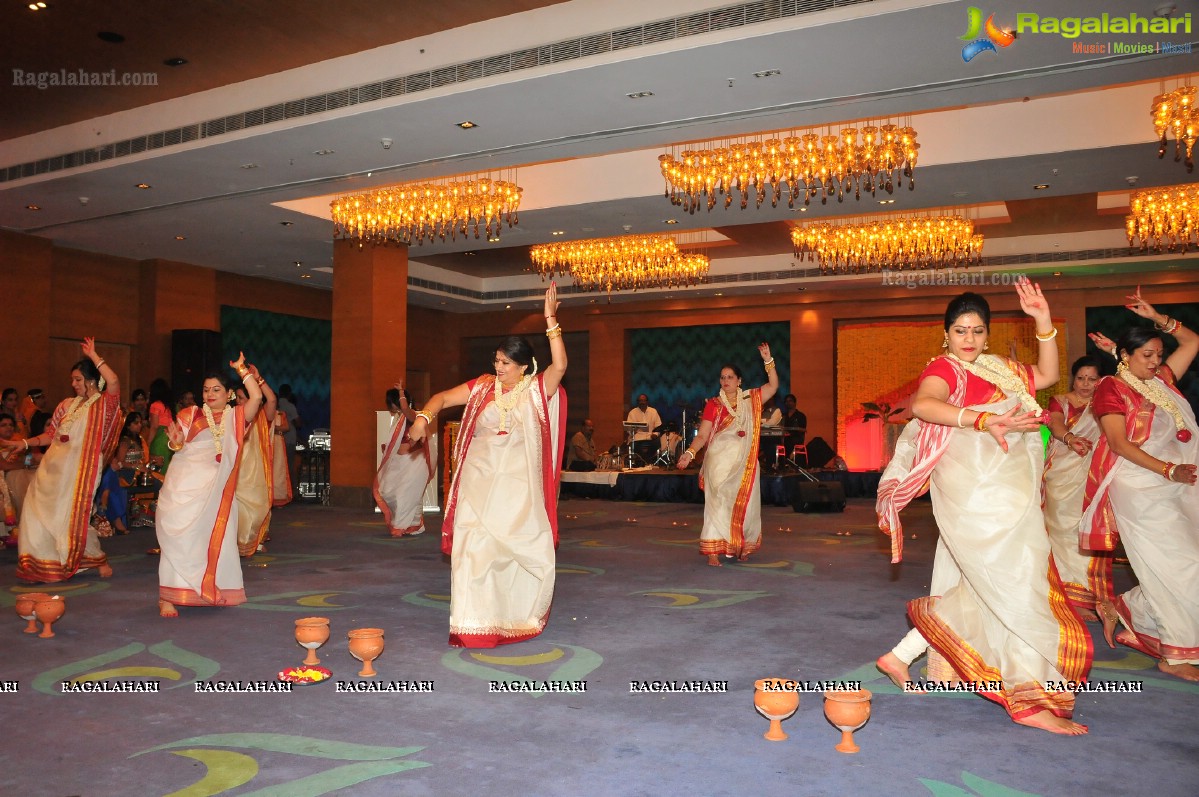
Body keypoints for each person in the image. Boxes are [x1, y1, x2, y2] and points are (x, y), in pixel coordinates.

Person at [874, 282, 1091, 736]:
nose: (968, 339)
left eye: (976, 330)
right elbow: (923, 404)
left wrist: (1043, 319)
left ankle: (900, 655)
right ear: (946, 335)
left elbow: (1049, 378)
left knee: (985, 581)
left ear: (987, 335)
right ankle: (1027, 699)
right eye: (959, 330)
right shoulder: (946, 368)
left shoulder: (1000, 369)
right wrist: (985, 419)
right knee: (1018, 577)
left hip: (1008, 489)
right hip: (975, 491)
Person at [408, 284, 566, 648]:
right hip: (478, 481)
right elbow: (444, 397)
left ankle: (508, 615)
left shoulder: (537, 390)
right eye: (496, 360)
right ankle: (470, 624)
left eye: (505, 363)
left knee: (513, 553)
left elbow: (560, 365)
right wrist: (423, 417)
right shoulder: (482, 386)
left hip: (516, 490)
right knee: (472, 548)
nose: (498, 368)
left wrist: (550, 320)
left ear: (523, 366)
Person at [1082, 289, 1199, 682]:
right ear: (1124, 357)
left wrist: (1157, 318)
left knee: (1181, 563)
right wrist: (1167, 471)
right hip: (1137, 485)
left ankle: (1125, 606)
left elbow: (1192, 341)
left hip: (1175, 480)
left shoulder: (1161, 380)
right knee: (1181, 565)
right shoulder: (1110, 389)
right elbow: (1118, 444)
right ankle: (1175, 654)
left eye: (1158, 355)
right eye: (1146, 355)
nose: (1156, 362)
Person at [2, 338, 123, 582]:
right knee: (36, 511)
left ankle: (95, 558)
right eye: (72, 380)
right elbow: (51, 434)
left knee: (71, 516)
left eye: (78, 379)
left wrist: (94, 356)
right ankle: (43, 563)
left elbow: (113, 381)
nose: (73, 384)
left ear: (90, 380)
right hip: (52, 468)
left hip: (79, 471)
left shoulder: (103, 405)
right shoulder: (66, 405)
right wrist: (23, 443)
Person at [154, 354, 263, 617]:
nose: (210, 394)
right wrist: (176, 442)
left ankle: (211, 587)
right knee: (179, 538)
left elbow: (257, 398)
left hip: (217, 490)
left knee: (214, 538)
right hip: (185, 485)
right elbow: (177, 444)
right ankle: (167, 596)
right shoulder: (191, 414)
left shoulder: (236, 416)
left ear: (228, 394)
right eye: (206, 389)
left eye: (216, 389)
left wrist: (242, 370)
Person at [676, 344, 778, 566]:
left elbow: (773, 386)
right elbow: (703, 435)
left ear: (739, 381)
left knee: (746, 502)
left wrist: (768, 361)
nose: (725, 381)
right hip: (718, 461)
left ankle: (738, 544)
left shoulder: (750, 399)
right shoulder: (713, 405)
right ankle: (713, 550)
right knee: (718, 502)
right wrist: (690, 453)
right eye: (722, 377)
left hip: (745, 462)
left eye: (730, 377)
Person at [1042, 355, 1107, 621]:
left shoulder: (1106, 402)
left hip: (1093, 473)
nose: (1085, 384)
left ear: (1101, 380)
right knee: (1061, 532)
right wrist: (1070, 438)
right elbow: (1056, 423)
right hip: (1061, 472)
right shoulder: (1061, 400)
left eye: (1092, 379)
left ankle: (1086, 596)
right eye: (1081, 377)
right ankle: (1065, 596)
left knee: (1087, 531)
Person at [373, 384, 433, 536]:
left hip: (415, 462)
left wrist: (400, 392)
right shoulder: (399, 419)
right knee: (388, 491)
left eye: (391, 402)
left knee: (406, 494)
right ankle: (414, 525)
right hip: (401, 463)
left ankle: (403, 526)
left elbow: (405, 409)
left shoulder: (412, 415)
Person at [233, 366, 277, 556]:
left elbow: (272, 399)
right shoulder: (233, 416)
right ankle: (236, 543)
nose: (239, 401)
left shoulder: (261, 416)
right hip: (236, 470)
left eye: (242, 398)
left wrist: (259, 379)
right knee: (237, 508)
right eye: (237, 398)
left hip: (257, 471)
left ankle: (254, 540)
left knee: (259, 507)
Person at [96, 435, 134, 535]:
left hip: (110, 473)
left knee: (115, 489)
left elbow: (118, 463)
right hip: (103, 473)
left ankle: (112, 518)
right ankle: (113, 520)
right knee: (109, 490)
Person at [146, 378, 177, 472]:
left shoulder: (155, 405)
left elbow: (154, 426)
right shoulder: (170, 406)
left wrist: (148, 443)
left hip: (160, 438)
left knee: (157, 467)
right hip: (170, 437)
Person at [780, 394, 808, 463]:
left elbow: (803, 429)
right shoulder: (783, 415)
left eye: (790, 401)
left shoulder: (801, 415)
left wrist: (792, 431)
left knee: (790, 442)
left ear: (795, 402)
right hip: (784, 438)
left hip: (796, 438)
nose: (788, 403)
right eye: (786, 401)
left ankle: (789, 462)